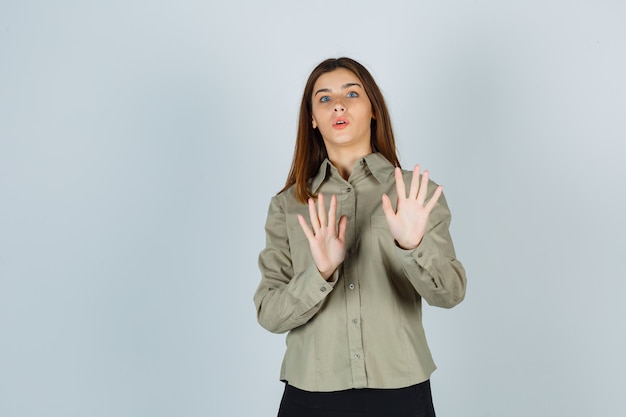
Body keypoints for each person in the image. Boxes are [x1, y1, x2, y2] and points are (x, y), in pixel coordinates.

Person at [253, 57, 467, 417]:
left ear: (372, 110)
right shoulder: (289, 205)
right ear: (312, 119)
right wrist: (318, 273)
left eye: (352, 93)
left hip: (400, 391)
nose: (338, 104)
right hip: (311, 393)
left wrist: (411, 247)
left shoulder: (416, 194)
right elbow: (269, 314)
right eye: (324, 98)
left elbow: (450, 294)